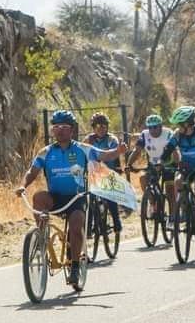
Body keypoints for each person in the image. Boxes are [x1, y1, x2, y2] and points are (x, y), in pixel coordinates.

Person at [16, 110, 126, 284]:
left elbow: (103, 155)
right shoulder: (46, 152)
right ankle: (41, 237)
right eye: (56, 127)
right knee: (38, 197)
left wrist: (117, 151)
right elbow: (33, 171)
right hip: (56, 197)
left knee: (75, 226)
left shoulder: (82, 149)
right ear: (52, 130)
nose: (60, 130)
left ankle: (75, 266)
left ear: (72, 130)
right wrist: (23, 185)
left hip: (77, 198)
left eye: (64, 127)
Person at [160, 106, 195, 249]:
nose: (178, 127)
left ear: (188, 123)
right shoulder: (177, 135)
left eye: (180, 124)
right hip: (188, 168)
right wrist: (161, 162)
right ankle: (183, 207)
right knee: (177, 180)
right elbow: (168, 149)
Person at [126, 114, 178, 226]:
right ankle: (152, 203)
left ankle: (173, 216)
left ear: (161, 126)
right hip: (153, 164)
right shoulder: (144, 135)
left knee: (169, 189)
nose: (152, 130)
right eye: (150, 127)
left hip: (169, 163)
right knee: (143, 179)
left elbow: (174, 151)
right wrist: (128, 164)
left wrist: (175, 164)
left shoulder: (168, 133)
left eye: (155, 127)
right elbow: (137, 151)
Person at [83, 113, 128, 232]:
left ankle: (116, 220)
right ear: (93, 128)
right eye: (98, 126)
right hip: (93, 170)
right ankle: (89, 225)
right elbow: (82, 154)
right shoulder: (88, 139)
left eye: (104, 126)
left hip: (109, 168)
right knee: (90, 195)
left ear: (107, 127)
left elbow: (114, 154)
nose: (101, 129)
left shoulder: (111, 139)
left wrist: (116, 167)